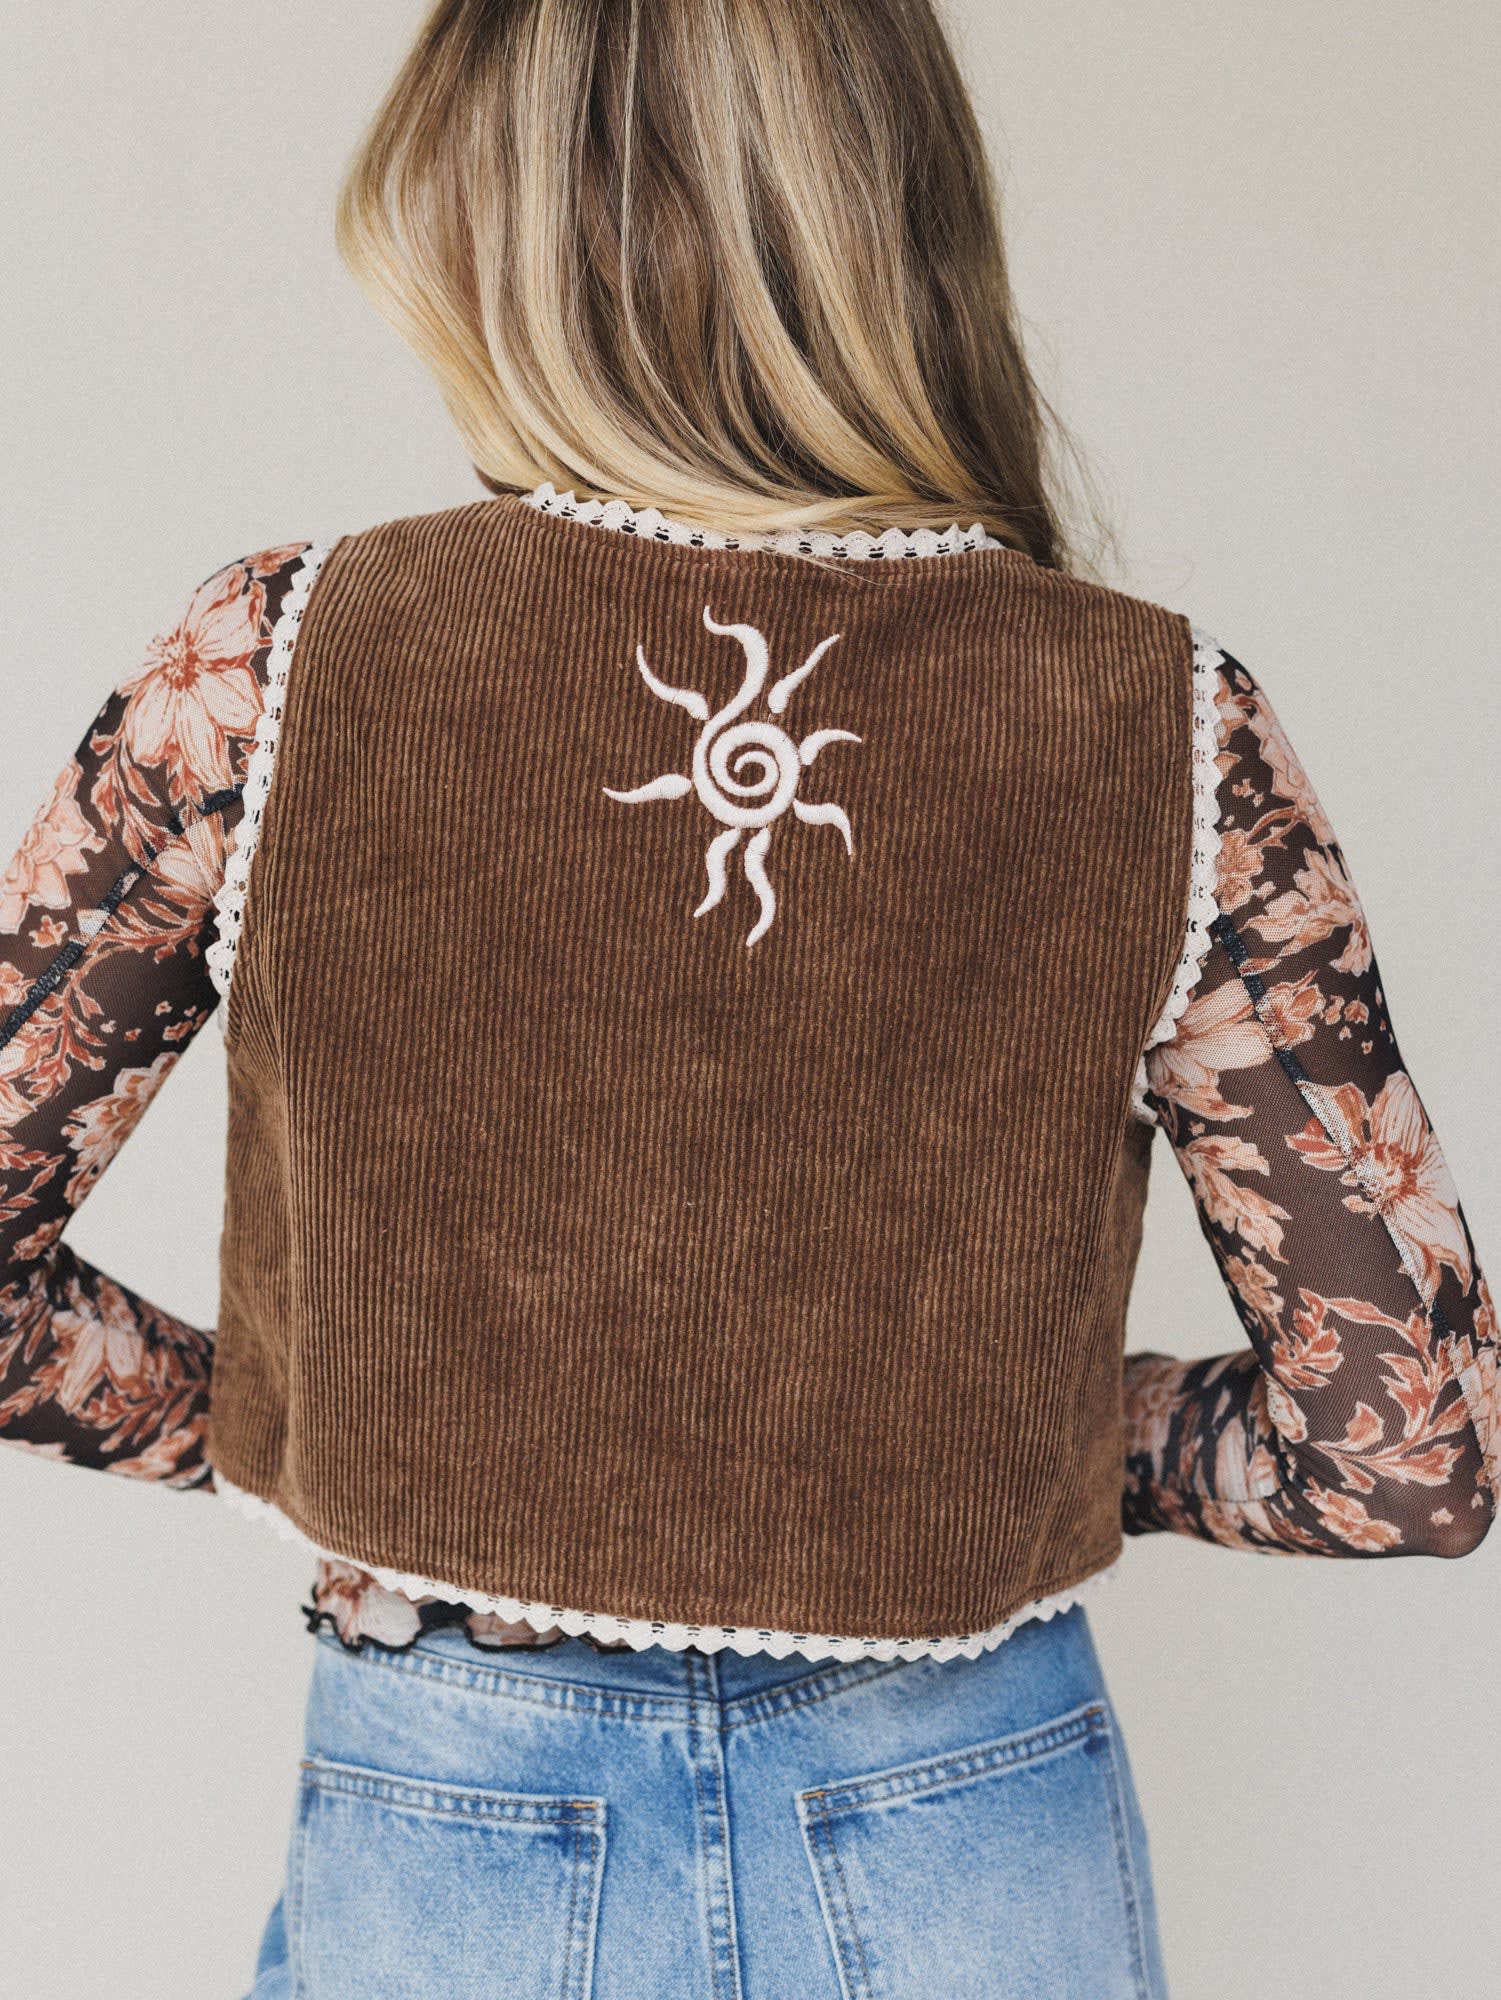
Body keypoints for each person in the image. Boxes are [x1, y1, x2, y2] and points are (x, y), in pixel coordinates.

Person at [1, 4, 1493, 1995]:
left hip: (458, 1811)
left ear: (484, 230)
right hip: (972, 1822)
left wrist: (283, 1409)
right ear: (904, 222)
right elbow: (1405, 1451)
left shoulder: (269, 668)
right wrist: (1031, 1431)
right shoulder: (1163, 723)